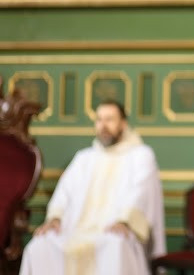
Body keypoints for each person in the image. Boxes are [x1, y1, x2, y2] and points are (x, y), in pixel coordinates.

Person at [19, 100, 165, 275]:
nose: (103, 125)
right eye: (99, 120)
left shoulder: (141, 155)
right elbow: (64, 193)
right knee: (39, 245)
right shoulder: (84, 158)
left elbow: (141, 192)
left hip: (115, 229)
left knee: (115, 245)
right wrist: (55, 218)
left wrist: (125, 221)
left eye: (110, 119)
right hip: (75, 229)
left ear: (123, 124)